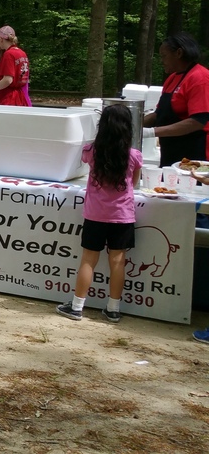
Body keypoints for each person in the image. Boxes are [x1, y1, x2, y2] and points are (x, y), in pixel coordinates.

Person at [57, 105, 139, 322]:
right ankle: (113, 308)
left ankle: (77, 306)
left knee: (88, 260)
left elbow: (82, 160)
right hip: (122, 215)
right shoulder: (134, 156)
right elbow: (135, 183)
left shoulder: (91, 151)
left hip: (95, 214)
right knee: (118, 261)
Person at [141, 32, 209, 166]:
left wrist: (151, 132)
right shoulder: (172, 78)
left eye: (164, 56)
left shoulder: (200, 78)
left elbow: (198, 121)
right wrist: (132, 125)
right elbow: (158, 115)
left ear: (178, 53)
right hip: (171, 150)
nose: (162, 61)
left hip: (195, 152)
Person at [0, 25, 31, 106]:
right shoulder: (22, 53)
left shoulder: (9, 54)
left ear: (0, 39)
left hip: (8, 98)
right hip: (20, 97)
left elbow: (8, 80)